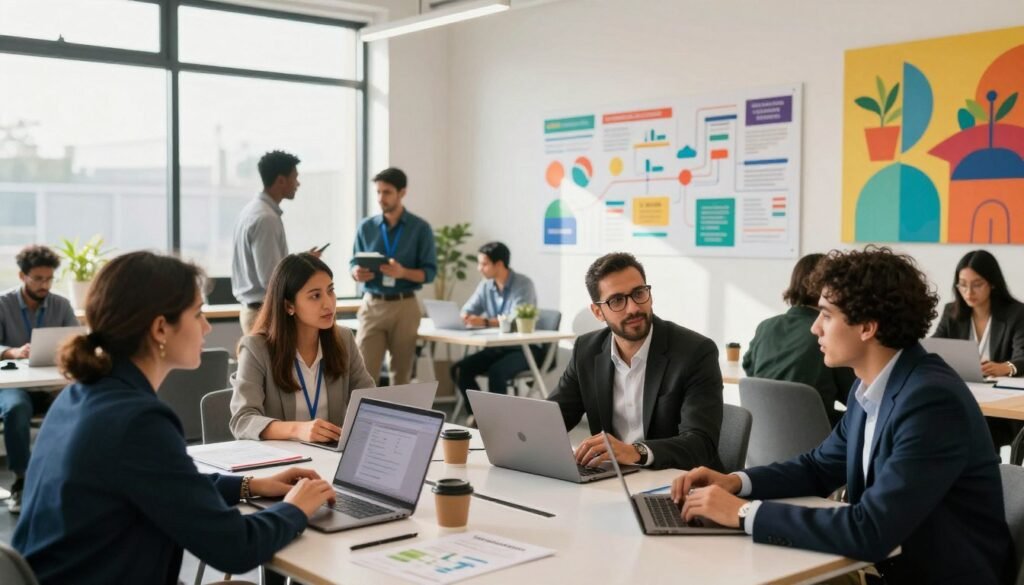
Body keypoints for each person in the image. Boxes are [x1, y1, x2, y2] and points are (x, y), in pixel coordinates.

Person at [673, 247, 1013, 585]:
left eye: (826, 315)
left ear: (866, 327)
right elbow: (818, 466)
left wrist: (742, 512)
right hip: (884, 565)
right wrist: (735, 482)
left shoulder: (930, 401)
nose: (814, 329)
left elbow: (871, 529)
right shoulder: (868, 386)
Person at [12, 252, 336, 584]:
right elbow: (236, 546)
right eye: (198, 314)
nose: (207, 326)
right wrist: (296, 508)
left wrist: (249, 485)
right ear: (160, 329)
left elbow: (168, 483)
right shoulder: (138, 421)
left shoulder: (80, 395)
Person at [548, 252, 724, 470]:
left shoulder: (695, 352)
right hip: (614, 480)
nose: (633, 308)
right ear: (598, 312)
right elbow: (550, 421)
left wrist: (635, 452)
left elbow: (701, 444)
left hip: (680, 482)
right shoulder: (586, 350)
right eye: (617, 300)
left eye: (639, 293)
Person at [230, 253, 375, 443]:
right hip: (281, 461)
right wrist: (298, 430)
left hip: (330, 457)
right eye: (315, 296)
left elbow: (371, 402)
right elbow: (243, 420)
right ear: (289, 306)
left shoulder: (344, 339)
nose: (328, 303)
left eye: (330, 291)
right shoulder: (257, 348)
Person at [0, 245, 79, 513]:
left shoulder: (61, 305)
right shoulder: (3, 304)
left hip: (50, 382)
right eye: (38, 279)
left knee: (79, 401)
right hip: (15, 385)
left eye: (49, 279)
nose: (45, 284)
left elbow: (76, 342)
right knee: (16, 409)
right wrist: (12, 351)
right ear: (22, 276)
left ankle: (64, 477)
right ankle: (22, 482)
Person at [743, 253, 856, 425]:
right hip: (818, 438)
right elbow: (855, 396)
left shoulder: (765, 327)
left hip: (762, 439)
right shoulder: (830, 334)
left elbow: (749, 370)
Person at [350, 167, 436, 385]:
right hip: (373, 304)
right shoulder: (366, 227)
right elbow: (353, 262)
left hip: (404, 306)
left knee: (402, 375)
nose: (381, 198)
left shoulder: (420, 228)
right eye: (378, 192)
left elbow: (429, 273)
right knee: (363, 374)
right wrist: (355, 273)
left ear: (402, 193)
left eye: (387, 192)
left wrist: (403, 272)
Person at [933, 249, 1024, 449]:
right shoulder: (952, 312)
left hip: (1000, 407)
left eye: (977, 285)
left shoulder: (1016, 313)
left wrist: (1005, 367)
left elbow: (1022, 356)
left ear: (992, 283)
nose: (969, 292)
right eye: (963, 285)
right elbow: (933, 350)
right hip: (963, 394)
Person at [231, 150, 321, 334]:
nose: (298, 183)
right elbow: (271, 277)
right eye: (295, 178)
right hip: (264, 314)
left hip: (256, 311)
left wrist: (302, 261)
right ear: (281, 180)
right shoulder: (266, 218)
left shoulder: (253, 210)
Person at [451, 242, 541, 416]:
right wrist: (466, 317)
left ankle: (500, 422)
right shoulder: (486, 286)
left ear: (499, 264)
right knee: (459, 370)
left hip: (525, 349)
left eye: (484, 264)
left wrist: (483, 322)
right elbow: (467, 311)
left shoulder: (523, 284)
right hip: (497, 348)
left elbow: (515, 322)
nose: (479, 268)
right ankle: (479, 417)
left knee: (497, 372)